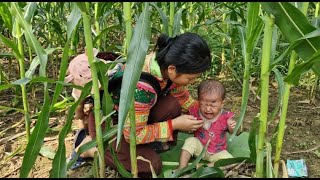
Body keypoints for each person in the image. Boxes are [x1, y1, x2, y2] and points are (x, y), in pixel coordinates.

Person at [66, 32, 212, 177]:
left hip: (134, 116)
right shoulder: (141, 89)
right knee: (150, 165)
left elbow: (183, 98)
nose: (192, 82)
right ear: (172, 70)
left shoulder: (162, 64)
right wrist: (174, 124)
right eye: (191, 78)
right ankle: (89, 147)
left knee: (172, 105)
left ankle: (143, 145)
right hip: (110, 123)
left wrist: (209, 113)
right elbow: (134, 134)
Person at [177, 79, 237, 170]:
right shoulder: (195, 112)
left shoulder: (225, 117)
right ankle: (182, 167)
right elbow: (186, 124)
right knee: (190, 141)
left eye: (213, 106)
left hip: (218, 151)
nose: (208, 109)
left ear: (221, 104)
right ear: (198, 101)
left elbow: (234, 132)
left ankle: (204, 168)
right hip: (199, 146)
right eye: (204, 104)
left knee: (230, 161)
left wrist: (232, 126)